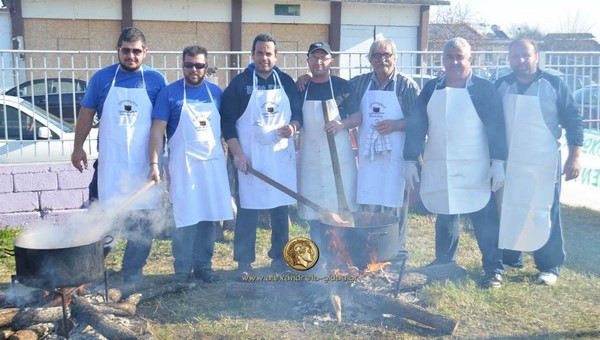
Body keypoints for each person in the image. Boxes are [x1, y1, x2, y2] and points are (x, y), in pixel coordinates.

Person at [404, 37, 507, 288]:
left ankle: (494, 268)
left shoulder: (484, 89)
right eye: (449, 57)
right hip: (441, 163)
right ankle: (443, 262)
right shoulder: (431, 88)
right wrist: (409, 158)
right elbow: (418, 125)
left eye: (459, 56)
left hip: (476, 165)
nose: (454, 62)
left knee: (484, 218)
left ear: (470, 59)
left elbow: (496, 126)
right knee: (446, 215)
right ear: (443, 60)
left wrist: (498, 161)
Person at [71, 27, 168, 284]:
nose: (131, 56)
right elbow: (86, 115)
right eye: (126, 50)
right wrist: (78, 147)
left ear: (145, 52)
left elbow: (164, 121)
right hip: (110, 165)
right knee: (102, 217)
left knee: (143, 223)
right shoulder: (102, 79)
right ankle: (88, 270)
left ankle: (132, 272)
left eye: (137, 51)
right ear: (118, 50)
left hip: (145, 165)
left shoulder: (157, 81)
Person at [495, 39, 583, 286]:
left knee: (544, 211)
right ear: (509, 59)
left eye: (525, 55)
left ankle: (549, 266)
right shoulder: (501, 85)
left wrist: (574, 156)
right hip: (510, 162)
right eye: (515, 56)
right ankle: (511, 258)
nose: (520, 60)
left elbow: (574, 120)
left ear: (537, 57)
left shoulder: (554, 85)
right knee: (509, 209)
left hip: (543, 162)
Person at [148, 45, 233, 283]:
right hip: (183, 166)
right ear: (182, 65)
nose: (194, 70)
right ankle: (182, 270)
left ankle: (204, 266)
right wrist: (154, 163)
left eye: (199, 65)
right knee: (185, 218)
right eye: (189, 65)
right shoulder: (170, 94)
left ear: (206, 67)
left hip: (212, 166)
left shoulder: (216, 93)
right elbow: (157, 131)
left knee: (208, 215)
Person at [220, 33, 303, 275]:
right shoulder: (240, 84)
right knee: (248, 209)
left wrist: (293, 127)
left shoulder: (286, 82)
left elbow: (298, 114)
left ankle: (279, 258)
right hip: (250, 159)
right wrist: (238, 155)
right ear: (252, 55)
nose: (264, 58)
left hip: (280, 158)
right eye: (259, 53)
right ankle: (244, 262)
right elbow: (227, 123)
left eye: (269, 53)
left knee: (280, 208)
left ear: (276, 56)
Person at [297, 41, 359, 250]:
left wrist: (343, 124)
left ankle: (344, 253)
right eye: (314, 57)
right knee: (315, 209)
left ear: (331, 60)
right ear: (308, 61)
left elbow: (358, 116)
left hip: (339, 158)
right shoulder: (302, 87)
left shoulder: (343, 86)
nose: (319, 62)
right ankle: (319, 256)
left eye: (323, 57)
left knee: (343, 205)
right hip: (311, 157)